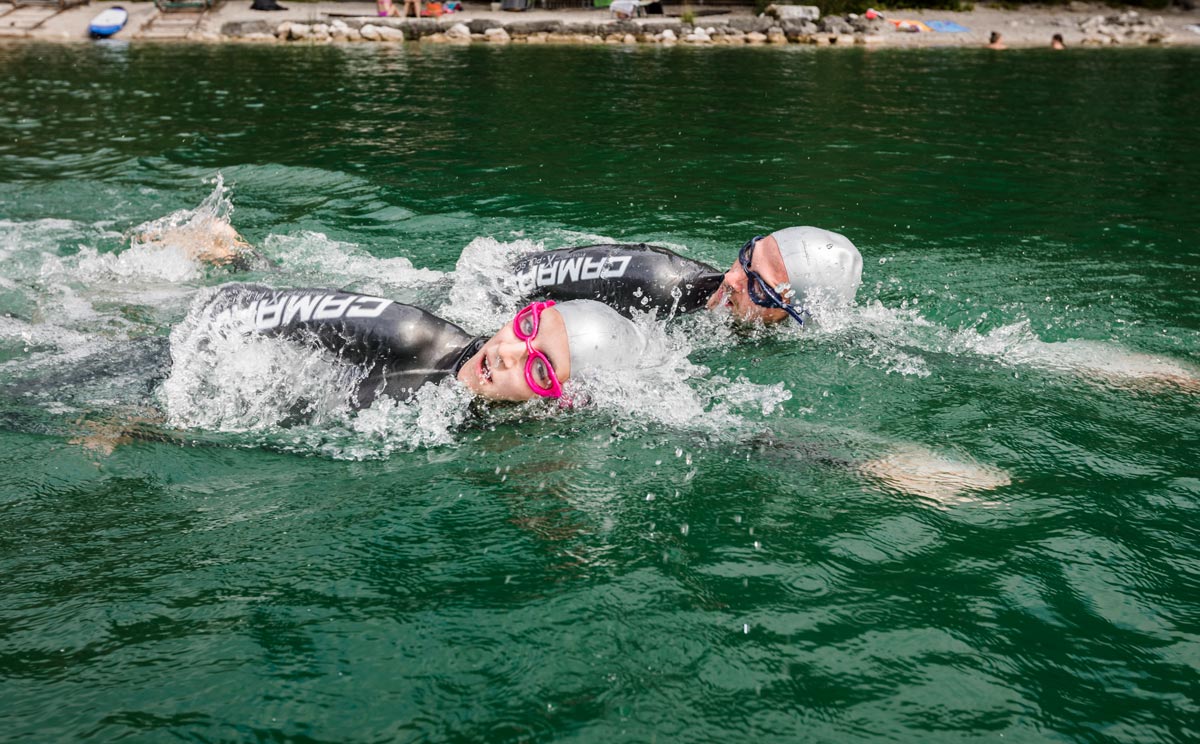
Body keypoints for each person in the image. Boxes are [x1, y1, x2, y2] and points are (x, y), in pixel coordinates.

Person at [196, 284, 648, 408]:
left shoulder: (545, 418)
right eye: (525, 327)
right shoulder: (409, 334)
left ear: (562, 401)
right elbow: (229, 312)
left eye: (540, 370)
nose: (509, 352)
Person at [506, 226, 863, 327]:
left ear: (796, 312)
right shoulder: (653, 279)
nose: (732, 278)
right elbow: (506, 278)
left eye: (756, 285)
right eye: (745, 259)